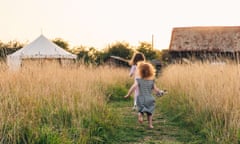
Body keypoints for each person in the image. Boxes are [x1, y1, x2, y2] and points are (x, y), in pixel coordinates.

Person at [124, 61, 163, 129]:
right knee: (149, 113)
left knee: (141, 110)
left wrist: (128, 94)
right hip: (150, 99)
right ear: (151, 71)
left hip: (141, 98)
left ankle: (140, 116)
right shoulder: (152, 81)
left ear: (140, 71)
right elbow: (156, 89)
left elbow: (133, 87)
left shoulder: (138, 80)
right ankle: (150, 125)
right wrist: (160, 92)